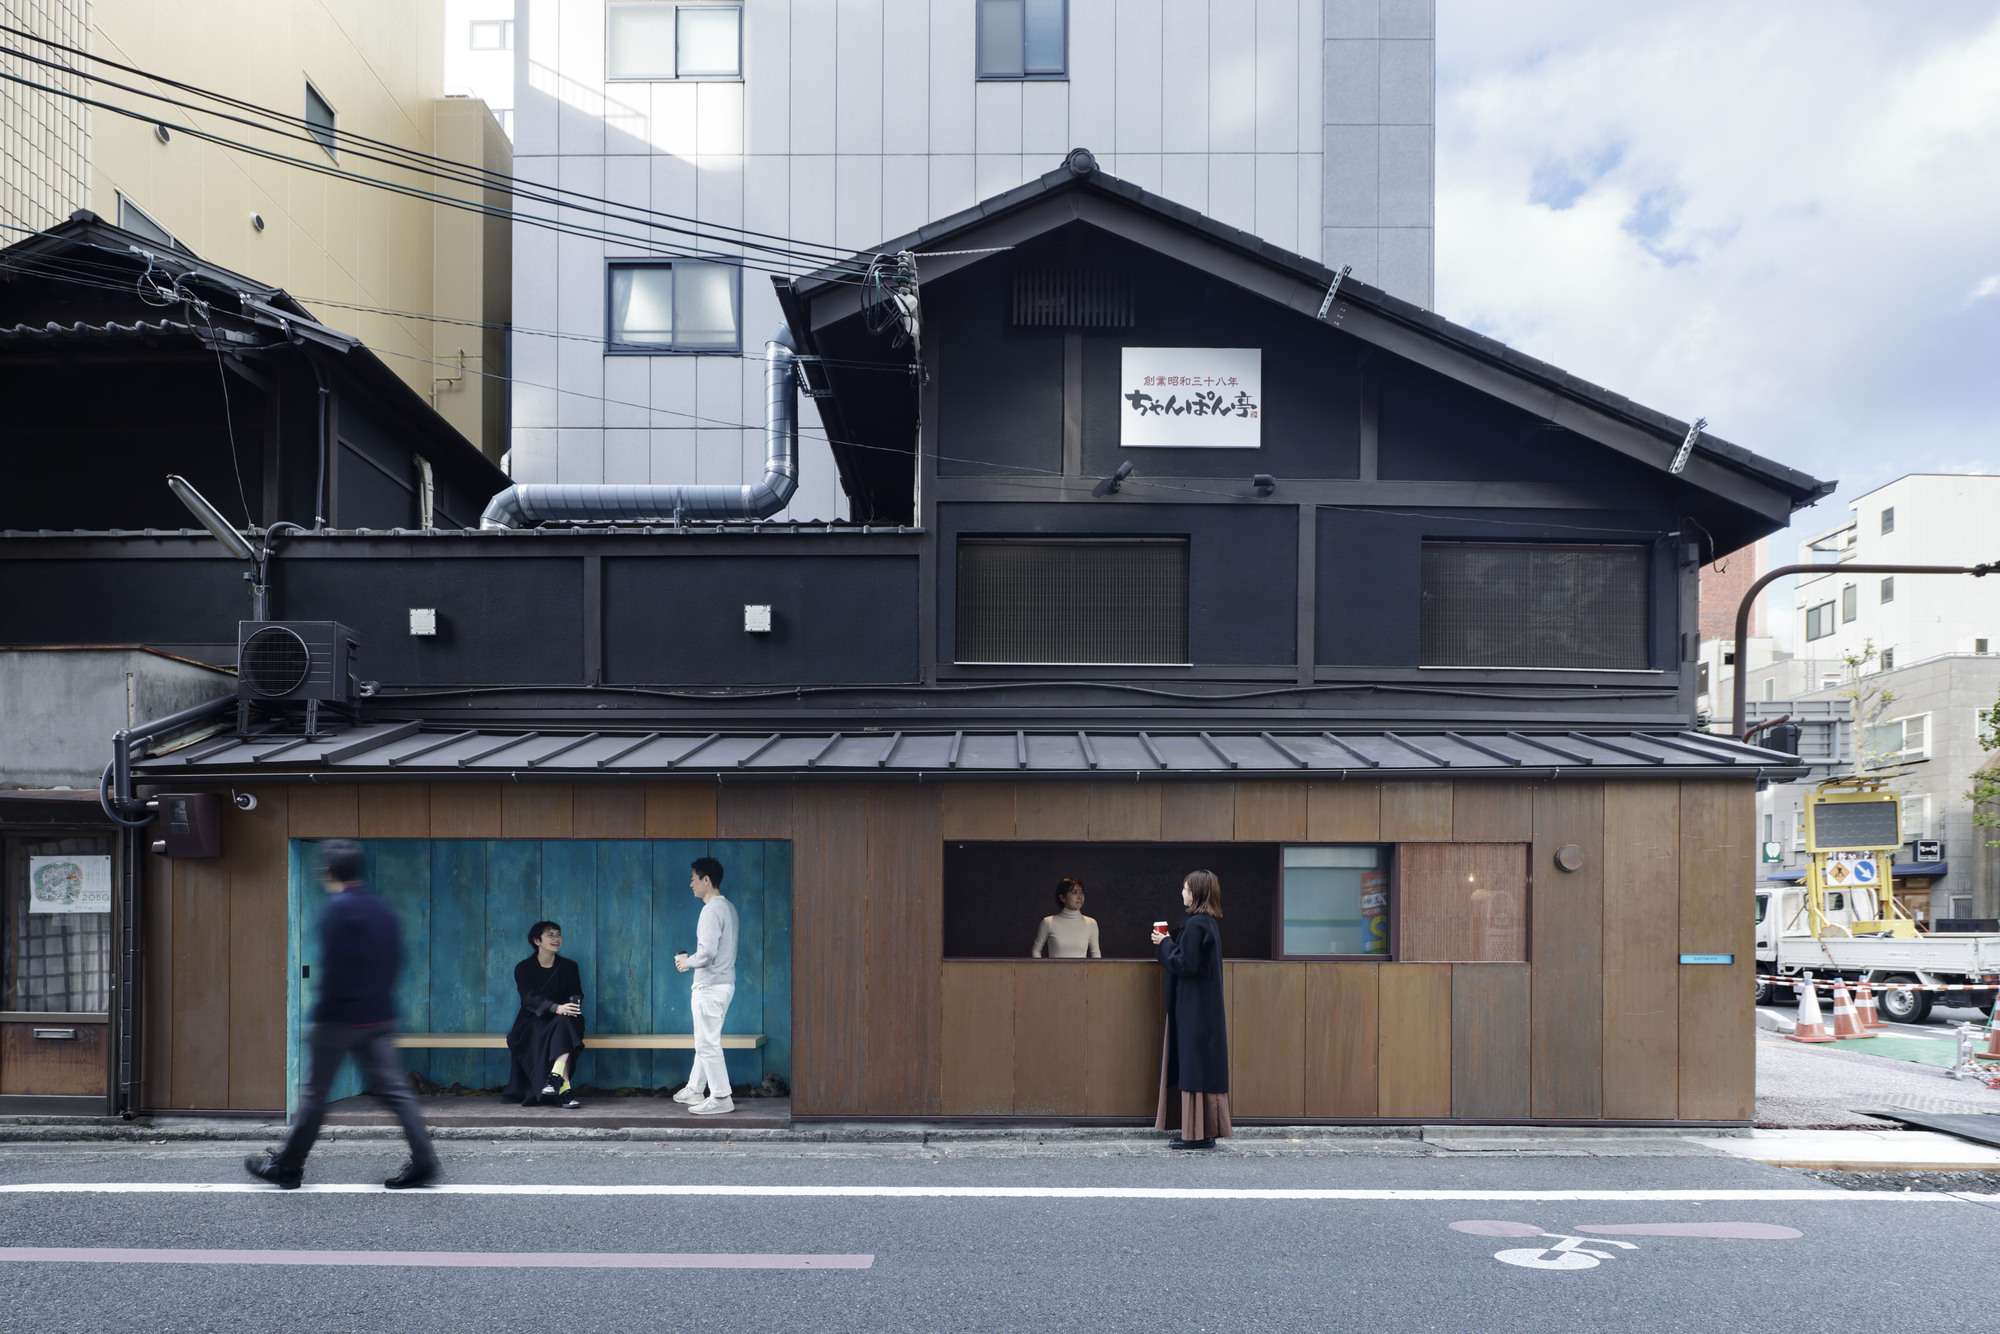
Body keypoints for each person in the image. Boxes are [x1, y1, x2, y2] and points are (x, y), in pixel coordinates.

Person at [245, 839, 440, 1189]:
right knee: (396, 1093)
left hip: (339, 1019)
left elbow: (333, 968)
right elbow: (397, 961)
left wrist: (323, 1016)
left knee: (315, 1096)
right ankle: (424, 1160)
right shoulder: (383, 909)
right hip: (379, 1016)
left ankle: (288, 1167)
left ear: (329, 871)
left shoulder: (336, 909)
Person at [1150, 869, 1231, 1150]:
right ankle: (1202, 1132)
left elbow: (1186, 964)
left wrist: (1164, 943)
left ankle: (1194, 1135)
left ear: (1196, 893)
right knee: (1202, 1065)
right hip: (1205, 1008)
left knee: (1193, 1065)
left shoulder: (1197, 925)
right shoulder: (1208, 924)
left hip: (1194, 1008)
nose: (1181, 893)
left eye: (1185, 889)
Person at [672, 856, 739, 1115]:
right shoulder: (728, 907)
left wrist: (685, 962)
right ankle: (695, 1088)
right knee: (706, 1039)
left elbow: (707, 954)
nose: (691, 884)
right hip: (724, 984)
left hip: (710, 987)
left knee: (706, 1044)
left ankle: (721, 1097)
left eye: (693, 879)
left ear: (706, 880)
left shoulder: (711, 910)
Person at [503, 920, 586, 1108]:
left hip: (565, 1017)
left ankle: (555, 1078)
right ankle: (563, 1088)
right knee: (563, 1030)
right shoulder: (524, 968)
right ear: (537, 940)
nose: (556, 939)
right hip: (534, 1020)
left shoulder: (569, 966)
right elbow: (528, 998)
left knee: (566, 1023)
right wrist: (555, 1008)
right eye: (550, 935)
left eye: (558, 934)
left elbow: (577, 992)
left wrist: (572, 1005)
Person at [1031, 876, 1102, 959]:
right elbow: (1036, 951)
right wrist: (1043, 970)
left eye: (1081, 892)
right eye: (1074, 892)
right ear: (1062, 898)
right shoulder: (1048, 922)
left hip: (1081, 972)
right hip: (1054, 972)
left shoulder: (1091, 923)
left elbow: (1096, 955)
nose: (1079, 897)